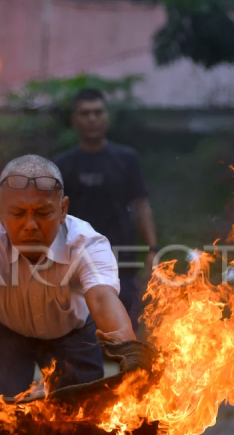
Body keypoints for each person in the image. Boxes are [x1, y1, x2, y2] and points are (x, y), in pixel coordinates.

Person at [0, 155, 136, 396]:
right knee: (8, 418)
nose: (30, 224)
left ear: (63, 210)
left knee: (80, 416)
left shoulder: (87, 243)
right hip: (3, 333)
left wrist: (132, 354)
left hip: (73, 333)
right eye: (17, 213)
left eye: (42, 212)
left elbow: (102, 299)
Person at [52, 88, 159, 330]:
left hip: (121, 258)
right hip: (75, 261)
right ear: (74, 120)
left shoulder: (126, 159)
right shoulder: (63, 163)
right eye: (85, 113)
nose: (92, 119)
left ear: (107, 117)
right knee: (80, 339)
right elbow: (52, 213)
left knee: (124, 335)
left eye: (98, 112)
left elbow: (141, 204)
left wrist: (152, 248)